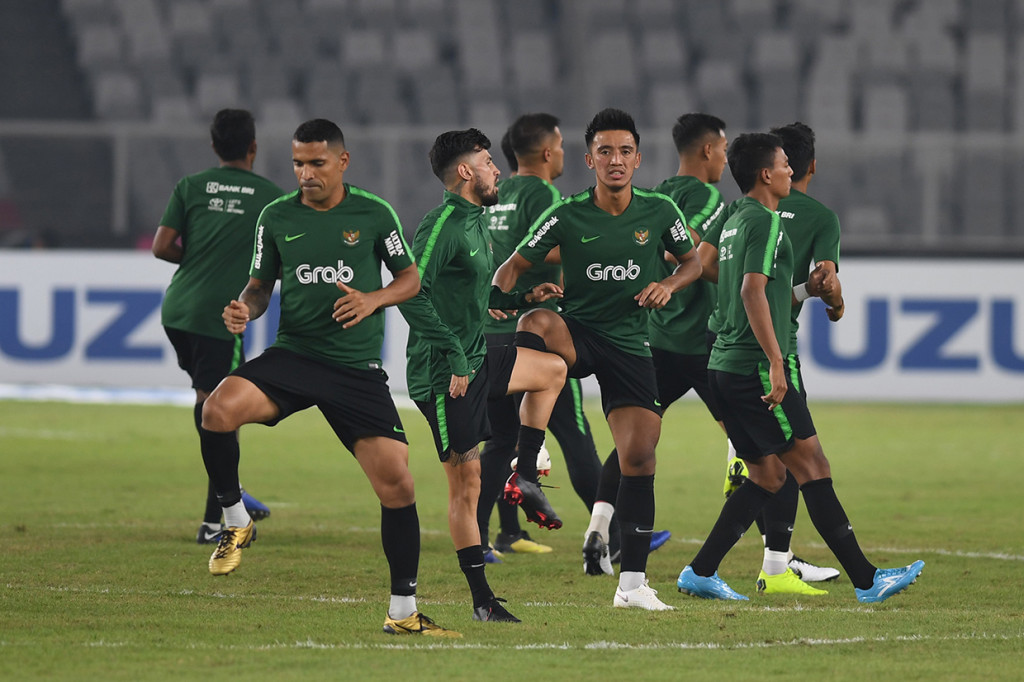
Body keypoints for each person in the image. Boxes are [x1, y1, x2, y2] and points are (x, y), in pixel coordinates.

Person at [199, 118, 459, 637]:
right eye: (297, 163)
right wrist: (244, 311)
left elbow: (409, 279)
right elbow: (258, 286)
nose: (305, 173)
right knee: (217, 410)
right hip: (295, 356)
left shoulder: (373, 212)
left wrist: (373, 298)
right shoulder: (276, 217)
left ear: (342, 162)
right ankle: (234, 519)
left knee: (399, 486)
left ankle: (403, 612)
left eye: (316, 163)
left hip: (355, 370)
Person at [675, 132, 925, 603]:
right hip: (754, 365)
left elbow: (746, 287)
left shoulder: (731, 217)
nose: (794, 170)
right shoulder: (767, 224)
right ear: (766, 174)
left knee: (767, 475)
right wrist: (775, 361)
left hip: (723, 363)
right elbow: (752, 293)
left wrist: (805, 290)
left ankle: (700, 572)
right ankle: (868, 581)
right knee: (812, 465)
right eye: (786, 164)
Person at [494, 108, 703, 610]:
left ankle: (631, 586)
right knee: (535, 324)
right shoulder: (565, 213)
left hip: (630, 346)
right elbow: (511, 266)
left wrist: (668, 283)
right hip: (580, 332)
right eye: (605, 151)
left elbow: (693, 260)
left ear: (637, 158)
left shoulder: (657, 212)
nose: (615, 160)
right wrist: (504, 298)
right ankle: (530, 458)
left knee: (639, 458)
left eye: (625, 151)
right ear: (589, 159)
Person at [399, 128, 568, 623]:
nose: (498, 170)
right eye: (489, 162)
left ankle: (525, 471)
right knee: (466, 485)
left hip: (475, 357)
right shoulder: (442, 225)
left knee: (552, 370)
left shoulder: (476, 222)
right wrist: (452, 354)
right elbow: (411, 292)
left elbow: (474, 294)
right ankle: (481, 599)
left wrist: (519, 300)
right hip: (443, 375)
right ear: (466, 172)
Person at [581, 112, 729, 575]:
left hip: (654, 339)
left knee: (633, 443)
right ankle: (777, 555)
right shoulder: (708, 196)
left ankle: (598, 531)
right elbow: (687, 253)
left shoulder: (658, 192)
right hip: (699, 341)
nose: (725, 159)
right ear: (708, 150)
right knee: (754, 442)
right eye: (723, 149)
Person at [479, 113, 604, 561]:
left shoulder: (499, 193)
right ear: (549, 152)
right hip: (536, 331)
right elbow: (542, 246)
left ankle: (496, 533)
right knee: (574, 431)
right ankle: (616, 528)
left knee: (502, 436)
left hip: (490, 327)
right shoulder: (543, 195)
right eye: (563, 147)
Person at [152, 108, 279, 544]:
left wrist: (196, 263)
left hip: (178, 310)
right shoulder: (270, 197)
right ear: (254, 148)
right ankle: (216, 520)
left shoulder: (191, 186)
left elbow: (161, 246)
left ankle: (230, 493)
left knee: (209, 405)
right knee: (221, 412)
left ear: (213, 147)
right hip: (219, 315)